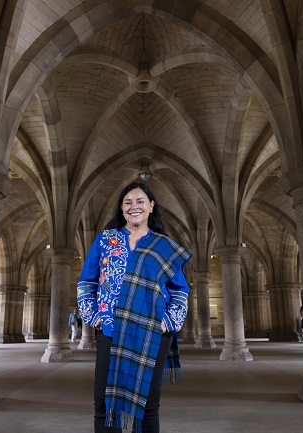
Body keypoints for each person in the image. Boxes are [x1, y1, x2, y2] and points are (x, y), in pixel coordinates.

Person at [77, 182, 192, 433]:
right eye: (128, 202)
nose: (134, 206)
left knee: (148, 405)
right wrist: (94, 317)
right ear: (121, 208)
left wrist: (168, 322)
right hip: (110, 330)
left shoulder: (164, 246)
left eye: (140, 201)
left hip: (152, 332)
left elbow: (180, 290)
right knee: (104, 404)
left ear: (151, 206)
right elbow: (87, 282)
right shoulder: (106, 240)